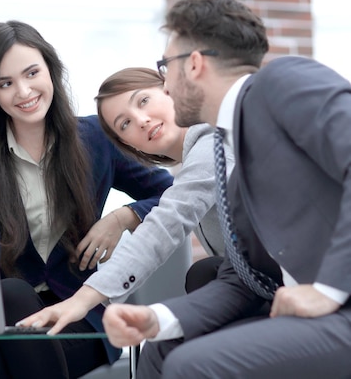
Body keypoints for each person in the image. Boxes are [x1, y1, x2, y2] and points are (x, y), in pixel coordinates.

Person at [102, 0, 351, 378]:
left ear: (194, 64)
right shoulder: (233, 157)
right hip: (302, 311)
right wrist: (158, 318)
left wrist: (328, 289)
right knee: (164, 348)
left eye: (165, 67)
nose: (165, 85)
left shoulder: (283, 81)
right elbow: (241, 278)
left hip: (341, 306)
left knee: (192, 365)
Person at [0, 21, 173, 378]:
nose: (23, 91)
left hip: (77, 309)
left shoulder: (96, 139)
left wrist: (123, 218)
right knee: (12, 292)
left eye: (31, 73)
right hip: (4, 311)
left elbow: (171, 193)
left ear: (50, 71)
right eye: (5, 83)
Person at [18, 67, 227, 335]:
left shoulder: (213, 146)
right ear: (129, 147)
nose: (140, 120)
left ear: (169, 89)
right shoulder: (195, 161)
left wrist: (82, 300)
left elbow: (163, 226)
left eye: (143, 101)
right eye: (124, 124)